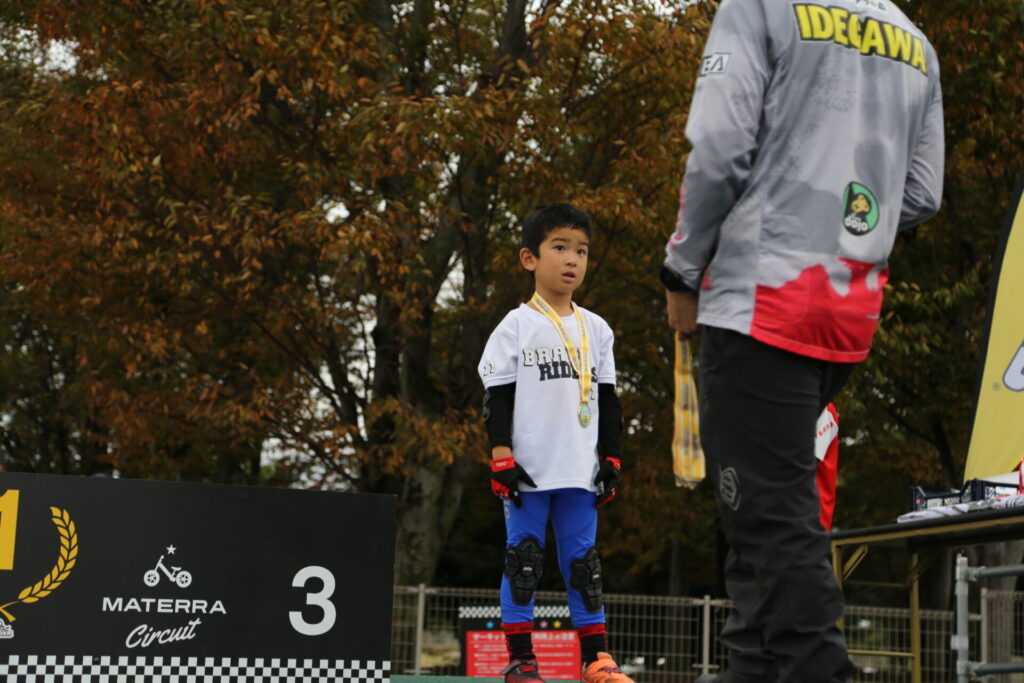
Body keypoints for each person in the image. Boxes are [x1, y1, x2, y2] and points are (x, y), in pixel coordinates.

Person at [660, 0, 944, 680]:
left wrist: (681, 267)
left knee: (771, 513)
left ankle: (821, 670)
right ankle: (750, 669)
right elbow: (923, 193)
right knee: (759, 504)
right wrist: (845, 228)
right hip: (846, 310)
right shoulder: (916, 41)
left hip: (759, 296)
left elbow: (720, 148)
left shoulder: (759, 6)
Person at [478, 203, 633, 683]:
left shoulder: (597, 329)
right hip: (528, 471)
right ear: (530, 258)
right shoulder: (515, 325)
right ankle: (521, 660)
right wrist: (501, 456)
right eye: (560, 247)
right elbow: (497, 398)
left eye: (581, 251)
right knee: (523, 560)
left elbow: (608, 400)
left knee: (584, 565)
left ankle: (597, 660)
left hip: (580, 472)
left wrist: (611, 458)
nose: (572, 259)